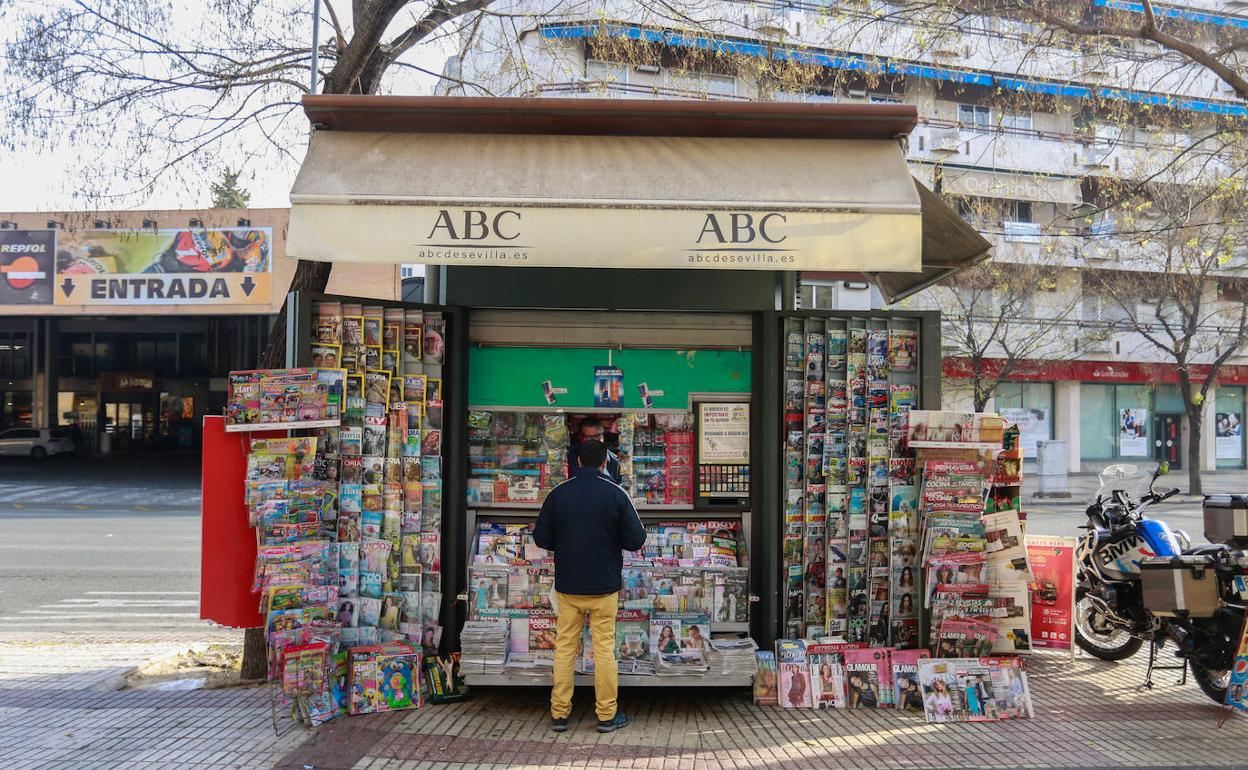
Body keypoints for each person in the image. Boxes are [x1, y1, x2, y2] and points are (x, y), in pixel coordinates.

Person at [534, 440, 646, 734]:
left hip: (568, 587)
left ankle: (559, 714)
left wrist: (567, 541)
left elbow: (541, 539)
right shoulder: (616, 494)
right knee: (605, 650)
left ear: (578, 463)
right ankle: (606, 715)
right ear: (604, 464)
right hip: (604, 588)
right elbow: (637, 540)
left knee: (565, 649)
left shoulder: (558, 494)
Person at [566, 417, 622, 483]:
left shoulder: (614, 460)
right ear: (581, 437)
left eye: (598, 435)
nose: (594, 440)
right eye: (590, 437)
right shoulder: (569, 457)